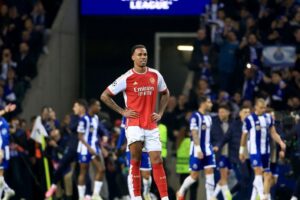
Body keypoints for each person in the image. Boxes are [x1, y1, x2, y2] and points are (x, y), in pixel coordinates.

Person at [101, 44, 170, 200]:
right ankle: (137, 197)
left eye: (145, 54)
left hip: (151, 124)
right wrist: (122, 111)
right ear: (133, 57)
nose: (143, 57)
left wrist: (160, 112)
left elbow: (166, 93)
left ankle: (164, 197)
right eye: (139, 54)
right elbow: (105, 95)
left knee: (157, 160)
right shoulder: (126, 78)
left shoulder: (155, 75)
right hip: (134, 125)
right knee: (136, 160)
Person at [239, 98, 286, 200]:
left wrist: (281, 142)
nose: (263, 109)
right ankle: (263, 197)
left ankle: (258, 197)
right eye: (261, 108)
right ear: (255, 107)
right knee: (258, 172)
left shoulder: (268, 118)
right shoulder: (249, 119)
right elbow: (244, 135)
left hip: (266, 151)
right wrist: (241, 150)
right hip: (254, 151)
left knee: (267, 175)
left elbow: (273, 133)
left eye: (264, 107)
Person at [176, 96, 216, 200]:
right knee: (194, 176)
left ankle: (210, 197)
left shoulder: (209, 117)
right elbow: (194, 132)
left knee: (210, 171)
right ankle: (180, 191)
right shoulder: (195, 116)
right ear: (203, 103)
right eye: (209, 102)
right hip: (196, 150)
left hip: (208, 149)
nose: (211, 104)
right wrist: (198, 148)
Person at [74, 99, 104, 200]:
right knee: (83, 172)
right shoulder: (83, 119)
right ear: (92, 106)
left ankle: (95, 195)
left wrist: (101, 147)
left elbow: (96, 134)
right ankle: (81, 197)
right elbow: (80, 136)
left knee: (101, 169)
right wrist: (89, 148)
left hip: (94, 148)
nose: (99, 108)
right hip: (84, 149)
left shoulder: (96, 118)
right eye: (98, 106)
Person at [117, 116, 152, 200]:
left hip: (145, 148)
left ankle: (146, 193)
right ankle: (134, 197)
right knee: (132, 172)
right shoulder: (127, 114)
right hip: (131, 147)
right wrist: (118, 146)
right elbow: (122, 131)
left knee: (146, 175)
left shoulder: (147, 111)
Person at [211, 104, 233, 200]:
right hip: (219, 154)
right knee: (223, 177)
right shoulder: (214, 124)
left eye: (223, 112)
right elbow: (210, 139)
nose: (220, 114)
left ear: (228, 113)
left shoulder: (233, 124)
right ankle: (227, 197)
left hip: (230, 154)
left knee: (224, 178)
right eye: (219, 112)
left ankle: (213, 197)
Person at [0, 104, 16, 200]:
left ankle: (6, 190)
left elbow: (4, 138)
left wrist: (0, 150)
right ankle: (7, 190)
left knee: (0, 174)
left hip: (2, 150)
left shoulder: (3, 122)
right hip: (3, 150)